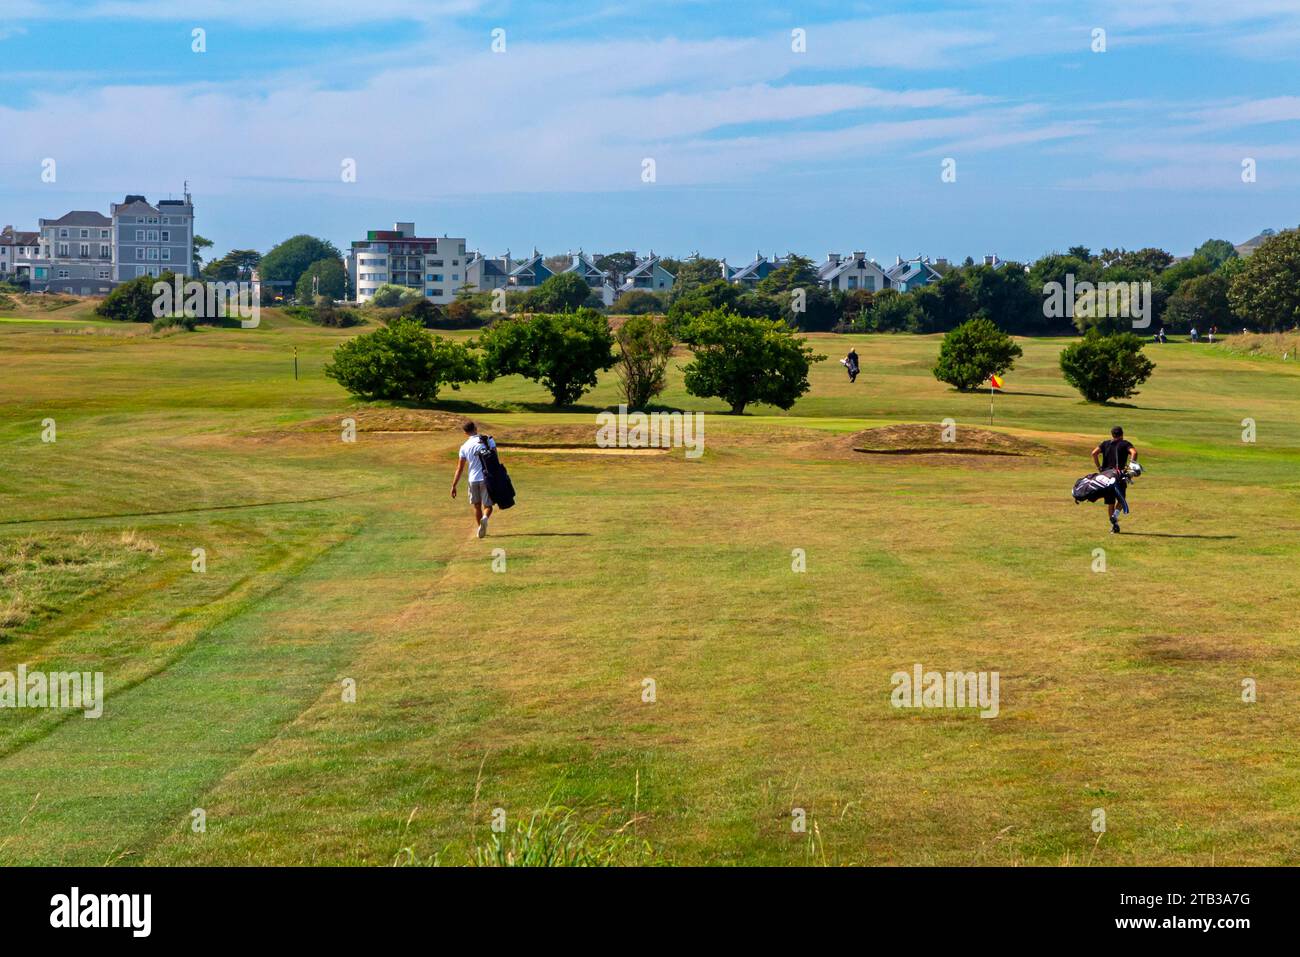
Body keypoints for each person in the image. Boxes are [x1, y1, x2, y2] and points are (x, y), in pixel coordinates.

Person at [451, 420, 498, 538]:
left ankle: (480, 529)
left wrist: (454, 485)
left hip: (472, 480)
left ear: (465, 433)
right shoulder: (488, 439)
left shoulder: (464, 447)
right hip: (486, 478)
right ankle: (485, 519)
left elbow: (459, 468)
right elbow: (495, 457)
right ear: (475, 428)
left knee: (477, 506)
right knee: (488, 506)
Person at [1091, 426, 1138, 533]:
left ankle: (1114, 526)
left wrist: (1099, 468)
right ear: (1122, 434)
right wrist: (1131, 467)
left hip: (1106, 476)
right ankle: (1115, 515)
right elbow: (1134, 453)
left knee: (1110, 502)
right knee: (1121, 498)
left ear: (1112, 434)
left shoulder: (1105, 443)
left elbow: (1094, 453)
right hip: (1118, 475)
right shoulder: (1125, 443)